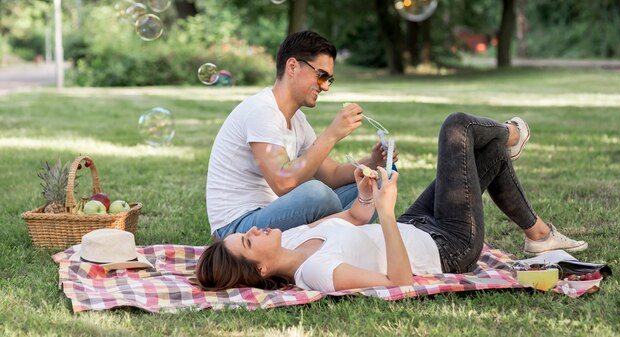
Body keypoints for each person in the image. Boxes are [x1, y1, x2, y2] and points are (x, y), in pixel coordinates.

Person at [196, 113, 588, 292]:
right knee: (457, 128)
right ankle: (512, 132)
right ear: (261, 268)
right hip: (448, 247)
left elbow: (352, 216)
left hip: (414, 224)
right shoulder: (316, 273)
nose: (256, 229)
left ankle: (538, 236)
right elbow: (398, 282)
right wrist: (384, 214)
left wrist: (366, 199)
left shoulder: (294, 237)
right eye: (248, 240)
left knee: (486, 157)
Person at [206, 30, 397, 240]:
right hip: (236, 229)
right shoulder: (262, 111)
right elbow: (283, 183)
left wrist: (372, 162)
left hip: (272, 217)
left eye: (329, 80)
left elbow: (332, 174)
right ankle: (326, 238)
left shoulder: (297, 120)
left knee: (376, 188)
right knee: (317, 194)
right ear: (293, 66)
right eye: (321, 75)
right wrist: (332, 134)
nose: (325, 87)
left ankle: (318, 239)